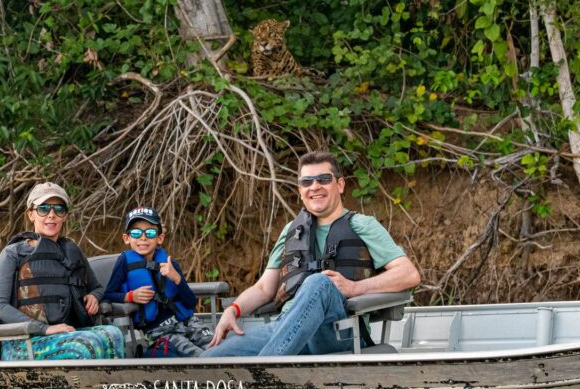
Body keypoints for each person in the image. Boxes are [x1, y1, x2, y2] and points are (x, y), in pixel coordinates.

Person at [201, 150, 421, 357]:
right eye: (307, 182)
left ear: (340, 185)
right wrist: (233, 310)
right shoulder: (291, 231)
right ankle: (267, 367)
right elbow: (263, 288)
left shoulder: (363, 225)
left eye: (323, 179)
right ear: (300, 190)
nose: (314, 186)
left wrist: (356, 288)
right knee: (209, 359)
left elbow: (409, 274)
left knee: (319, 282)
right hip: (285, 327)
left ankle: (264, 371)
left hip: (339, 329)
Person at [0, 182, 124, 361]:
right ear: (31, 214)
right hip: (25, 342)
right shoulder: (13, 253)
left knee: (114, 334)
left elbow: (98, 288)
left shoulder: (72, 250)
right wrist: (44, 329)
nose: (51, 215)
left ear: (65, 216)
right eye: (43, 208)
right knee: (86, 344)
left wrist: (94, 296)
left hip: (67, 333)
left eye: (58, 209)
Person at [104, 206, 214, 357]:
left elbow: (190, 302)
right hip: (159, 331)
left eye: (150, 232)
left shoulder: (170, 263)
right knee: (198, 356)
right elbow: (109, 294)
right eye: (136, 233)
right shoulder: (124, 262)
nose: (143, 238)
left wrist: (177, 278)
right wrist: (130, 296)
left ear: (160, 238)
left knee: (217, 347)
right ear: (127, 238)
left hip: (187, 322)